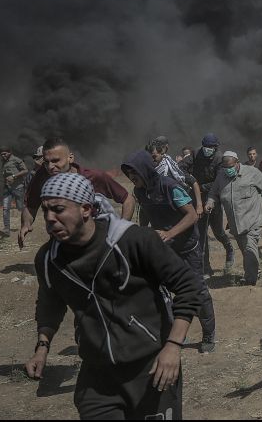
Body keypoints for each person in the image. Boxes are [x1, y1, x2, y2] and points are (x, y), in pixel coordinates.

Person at [25, 173, 203, 419]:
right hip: (98, 378)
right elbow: (50, 301)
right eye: (45, 211)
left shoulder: (133, 240)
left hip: (152, 369)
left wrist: (173, 347)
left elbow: (188, 285)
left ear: (86, 209)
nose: (49, 219)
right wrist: (42, 346)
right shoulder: (49, 259)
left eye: (58, 210)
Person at [122, 150, 217, 354]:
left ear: (145, 170)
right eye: (130, 175)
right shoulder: (140, 190)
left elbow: (192, 215)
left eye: (135, 174)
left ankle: (209, 334)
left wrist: (169, 232)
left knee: (197, 289)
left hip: (187, 246)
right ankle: (173, 333)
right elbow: (141, 210)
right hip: (164, 248)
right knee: (163, 291)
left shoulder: (169, 186)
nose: (132, 178)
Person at [20, 137, 135, 248]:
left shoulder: (93, 177)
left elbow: (127, 199)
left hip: (94, 242)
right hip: (61, 241)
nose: (50, 167)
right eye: (46, 162)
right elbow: (31, 205)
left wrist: (121, 229)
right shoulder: (42, 176)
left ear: (70, 158)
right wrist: (26, 224)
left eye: (55, 161)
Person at [206, 152, 262, 285]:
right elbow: (213, 192)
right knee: (245, 250)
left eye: (230, 166)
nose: (227, 169)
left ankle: (250, 280)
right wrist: (210, 202)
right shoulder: (221, 177)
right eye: (225, 167)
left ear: (237, 163)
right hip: (236, 223)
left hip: (252, 220)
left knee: (249, 247)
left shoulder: (252, 172)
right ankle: (254, 272)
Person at [192, 133, 235, 276]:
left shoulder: (219, 159)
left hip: (213, 200)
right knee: (201, 235)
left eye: (211, 147)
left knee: (218, 232)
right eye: (206, 146)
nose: (207, 149)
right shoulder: (196, 153)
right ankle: (206, 267)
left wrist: (199, 186)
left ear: (216, 148)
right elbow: (182, 166)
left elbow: (218, 181)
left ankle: (229, 248)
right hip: (198, 200)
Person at [147, 136, 203, 216]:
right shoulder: (150, 169)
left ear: (162, 151)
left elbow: (194, 182)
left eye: (154, 157)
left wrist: (199, 205)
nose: (152, 159)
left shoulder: (173, 168)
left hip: (177, 207)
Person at [0, 146, 28, 235]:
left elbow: (25, 170)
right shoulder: (4, 162)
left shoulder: (16, 160)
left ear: (10, 152)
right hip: (7, 188)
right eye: (1, 154)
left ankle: (26, 225)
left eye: (5, 154)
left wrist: (13, 176)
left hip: (17, 188)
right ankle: (7, 229)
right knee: (5, 208)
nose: (3, 156)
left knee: (20, 208)